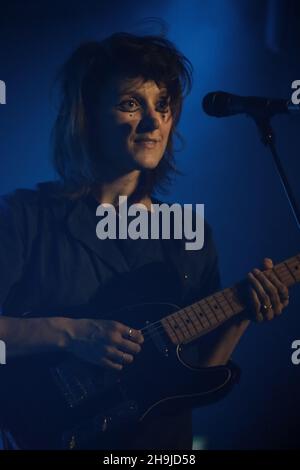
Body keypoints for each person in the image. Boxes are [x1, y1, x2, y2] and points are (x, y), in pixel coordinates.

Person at [0, 32, 290, 450]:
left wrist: (243, 312)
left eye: (163, 105)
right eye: (131, 104)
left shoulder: (191, 235)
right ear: (88, 115)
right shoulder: (24, 216)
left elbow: (193, 374)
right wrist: (70, 333)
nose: (154, 122)